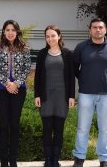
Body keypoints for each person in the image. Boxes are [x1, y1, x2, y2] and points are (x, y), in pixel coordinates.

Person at [72, 18, 107, 167]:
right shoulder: (81, 47)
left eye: (101, 27)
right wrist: (84, 80)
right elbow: (75, 68)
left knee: (105, 128)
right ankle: (79, 157)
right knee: (82, 127)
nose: (98, 30)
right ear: (90, 30)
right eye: (95, 27)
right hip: (86, 93)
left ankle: (104, 158)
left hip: (106, 94)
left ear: (105, 30)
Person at [0, 20, 31, 167]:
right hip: (1, 90)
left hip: (19, 90)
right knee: (3, 124)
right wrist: (7, 83)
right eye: (7, 30)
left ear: (17, 32)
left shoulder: (25, 48)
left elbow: (27, 68)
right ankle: (3, 161)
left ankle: (13, 160)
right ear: (3, 32)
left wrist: (16, 83)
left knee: (14, 124)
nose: (10, 32)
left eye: (13, 30)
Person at [34, 25, 75, 167]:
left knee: (58, 130)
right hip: (46, 97)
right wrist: (37, 95)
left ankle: (55, 160)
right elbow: (37, 76)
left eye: (53, 35)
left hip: (62, 97)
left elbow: (71, 76)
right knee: (46, 130)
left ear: (59, 36)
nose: (50, 38)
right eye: (47, 36)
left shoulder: (68, 54)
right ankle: (48, 160)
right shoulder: (42, 54)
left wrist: (71, 96)